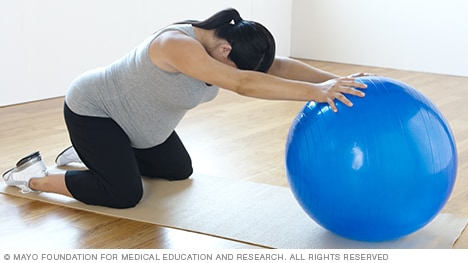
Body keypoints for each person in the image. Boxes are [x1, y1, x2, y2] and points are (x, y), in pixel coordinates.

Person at [3, 8, 368, 208]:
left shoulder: (226, 45)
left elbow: (274, 67)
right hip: (95, 111)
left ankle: (88, 155)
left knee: (179, 171)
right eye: (238, 64)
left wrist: (333, 81)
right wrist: (314, 93)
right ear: (226, 51)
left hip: (139, 127)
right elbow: (243, 82)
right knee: (125, 195)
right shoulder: (176, 45)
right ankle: (32, 177)